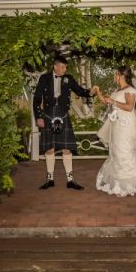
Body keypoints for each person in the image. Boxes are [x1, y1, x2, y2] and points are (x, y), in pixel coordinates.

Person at [93, 66, 136, 197]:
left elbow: (129, 107)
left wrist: (114, 101)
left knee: (123, 150)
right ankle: (119, 183)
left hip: (126, 125)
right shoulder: (117, 90)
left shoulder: (130, 90)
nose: (114, 77)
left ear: (121, 75)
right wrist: (98, 92)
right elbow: (108, 102)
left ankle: (132, 183)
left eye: (115, 74)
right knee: (116, 150)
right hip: (116, 125)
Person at [33, 55, 94, 190]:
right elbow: (37, 98)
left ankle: (70, 180)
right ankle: (50, 179)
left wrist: (90, 92)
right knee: (50, 148)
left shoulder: (69, 78)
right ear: (55, 67)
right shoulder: (44, 78)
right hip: (48, 114)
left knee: (67, 147)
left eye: (65, 67)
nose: (64, 69)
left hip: (63, 114)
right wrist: (38, 116)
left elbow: (79, 90)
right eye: (62, 67)